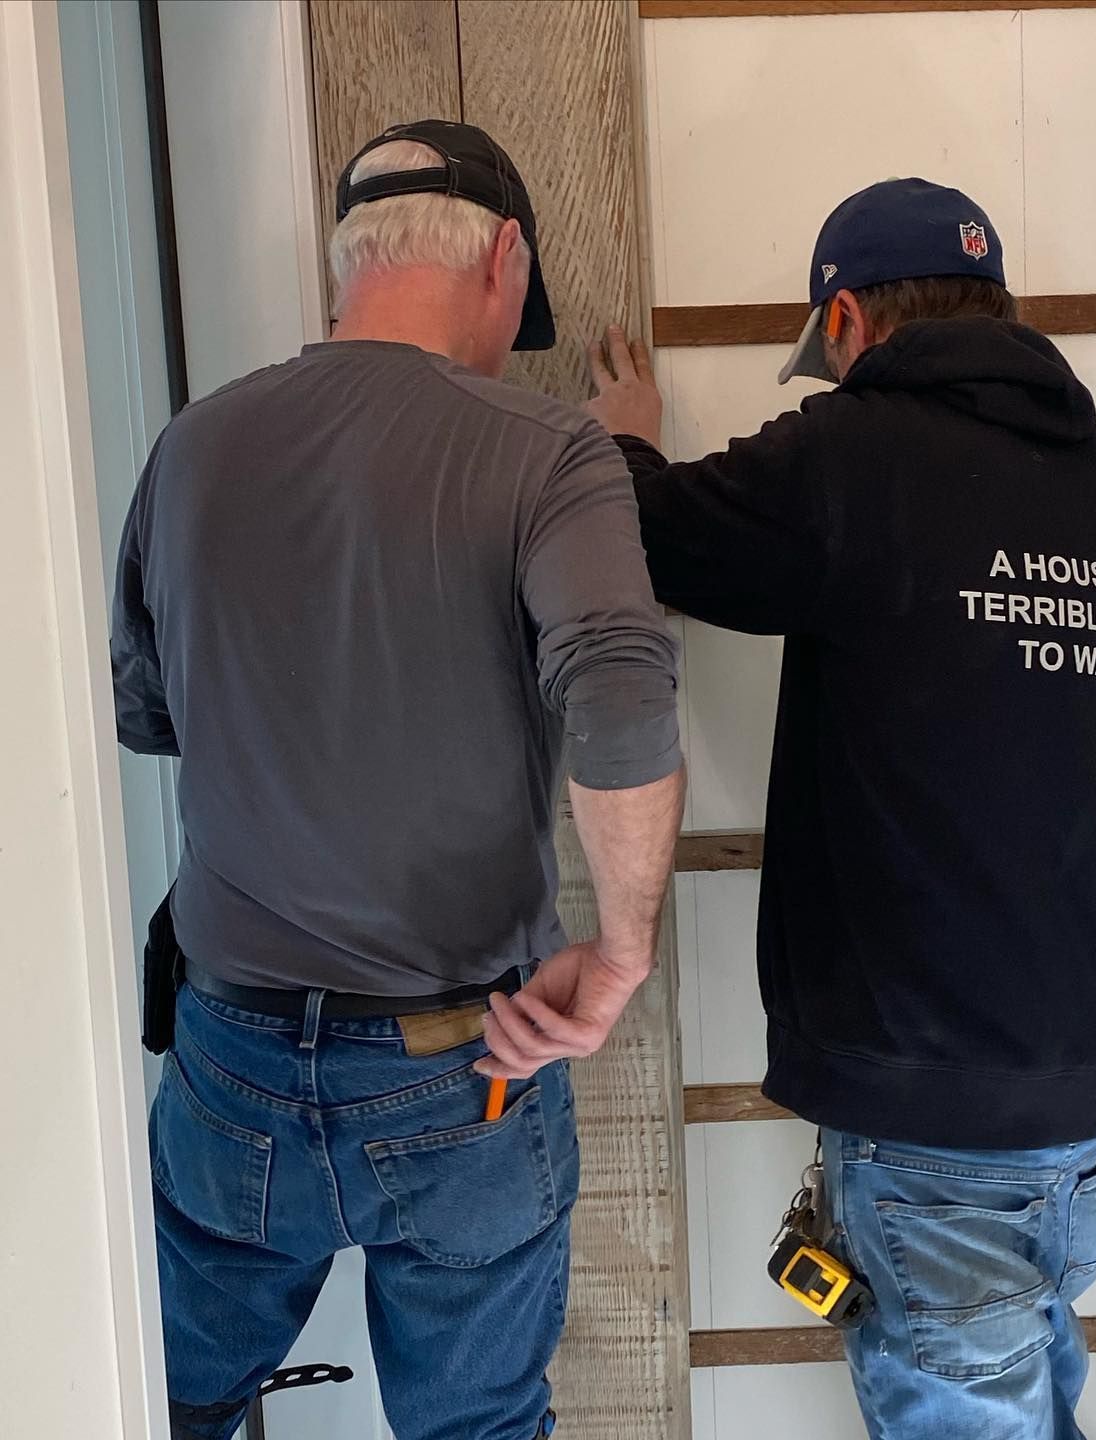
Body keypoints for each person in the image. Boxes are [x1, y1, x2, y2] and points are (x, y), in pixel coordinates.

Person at [587, 178, 1096, 1439]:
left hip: (937, 1141)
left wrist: (622, 446)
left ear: (846, 324)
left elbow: (649, 535)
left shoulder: (856, 459)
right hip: (1080, 1132)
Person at [112, 119, 685, 1440]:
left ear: (348, 264)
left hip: (230, 1059)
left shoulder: (192, 450)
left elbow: (149, 713)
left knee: (161, 1406)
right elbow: (620, 690)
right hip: (461, 1057)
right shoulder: (552, 453)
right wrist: (620, 953)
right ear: (504, 256)